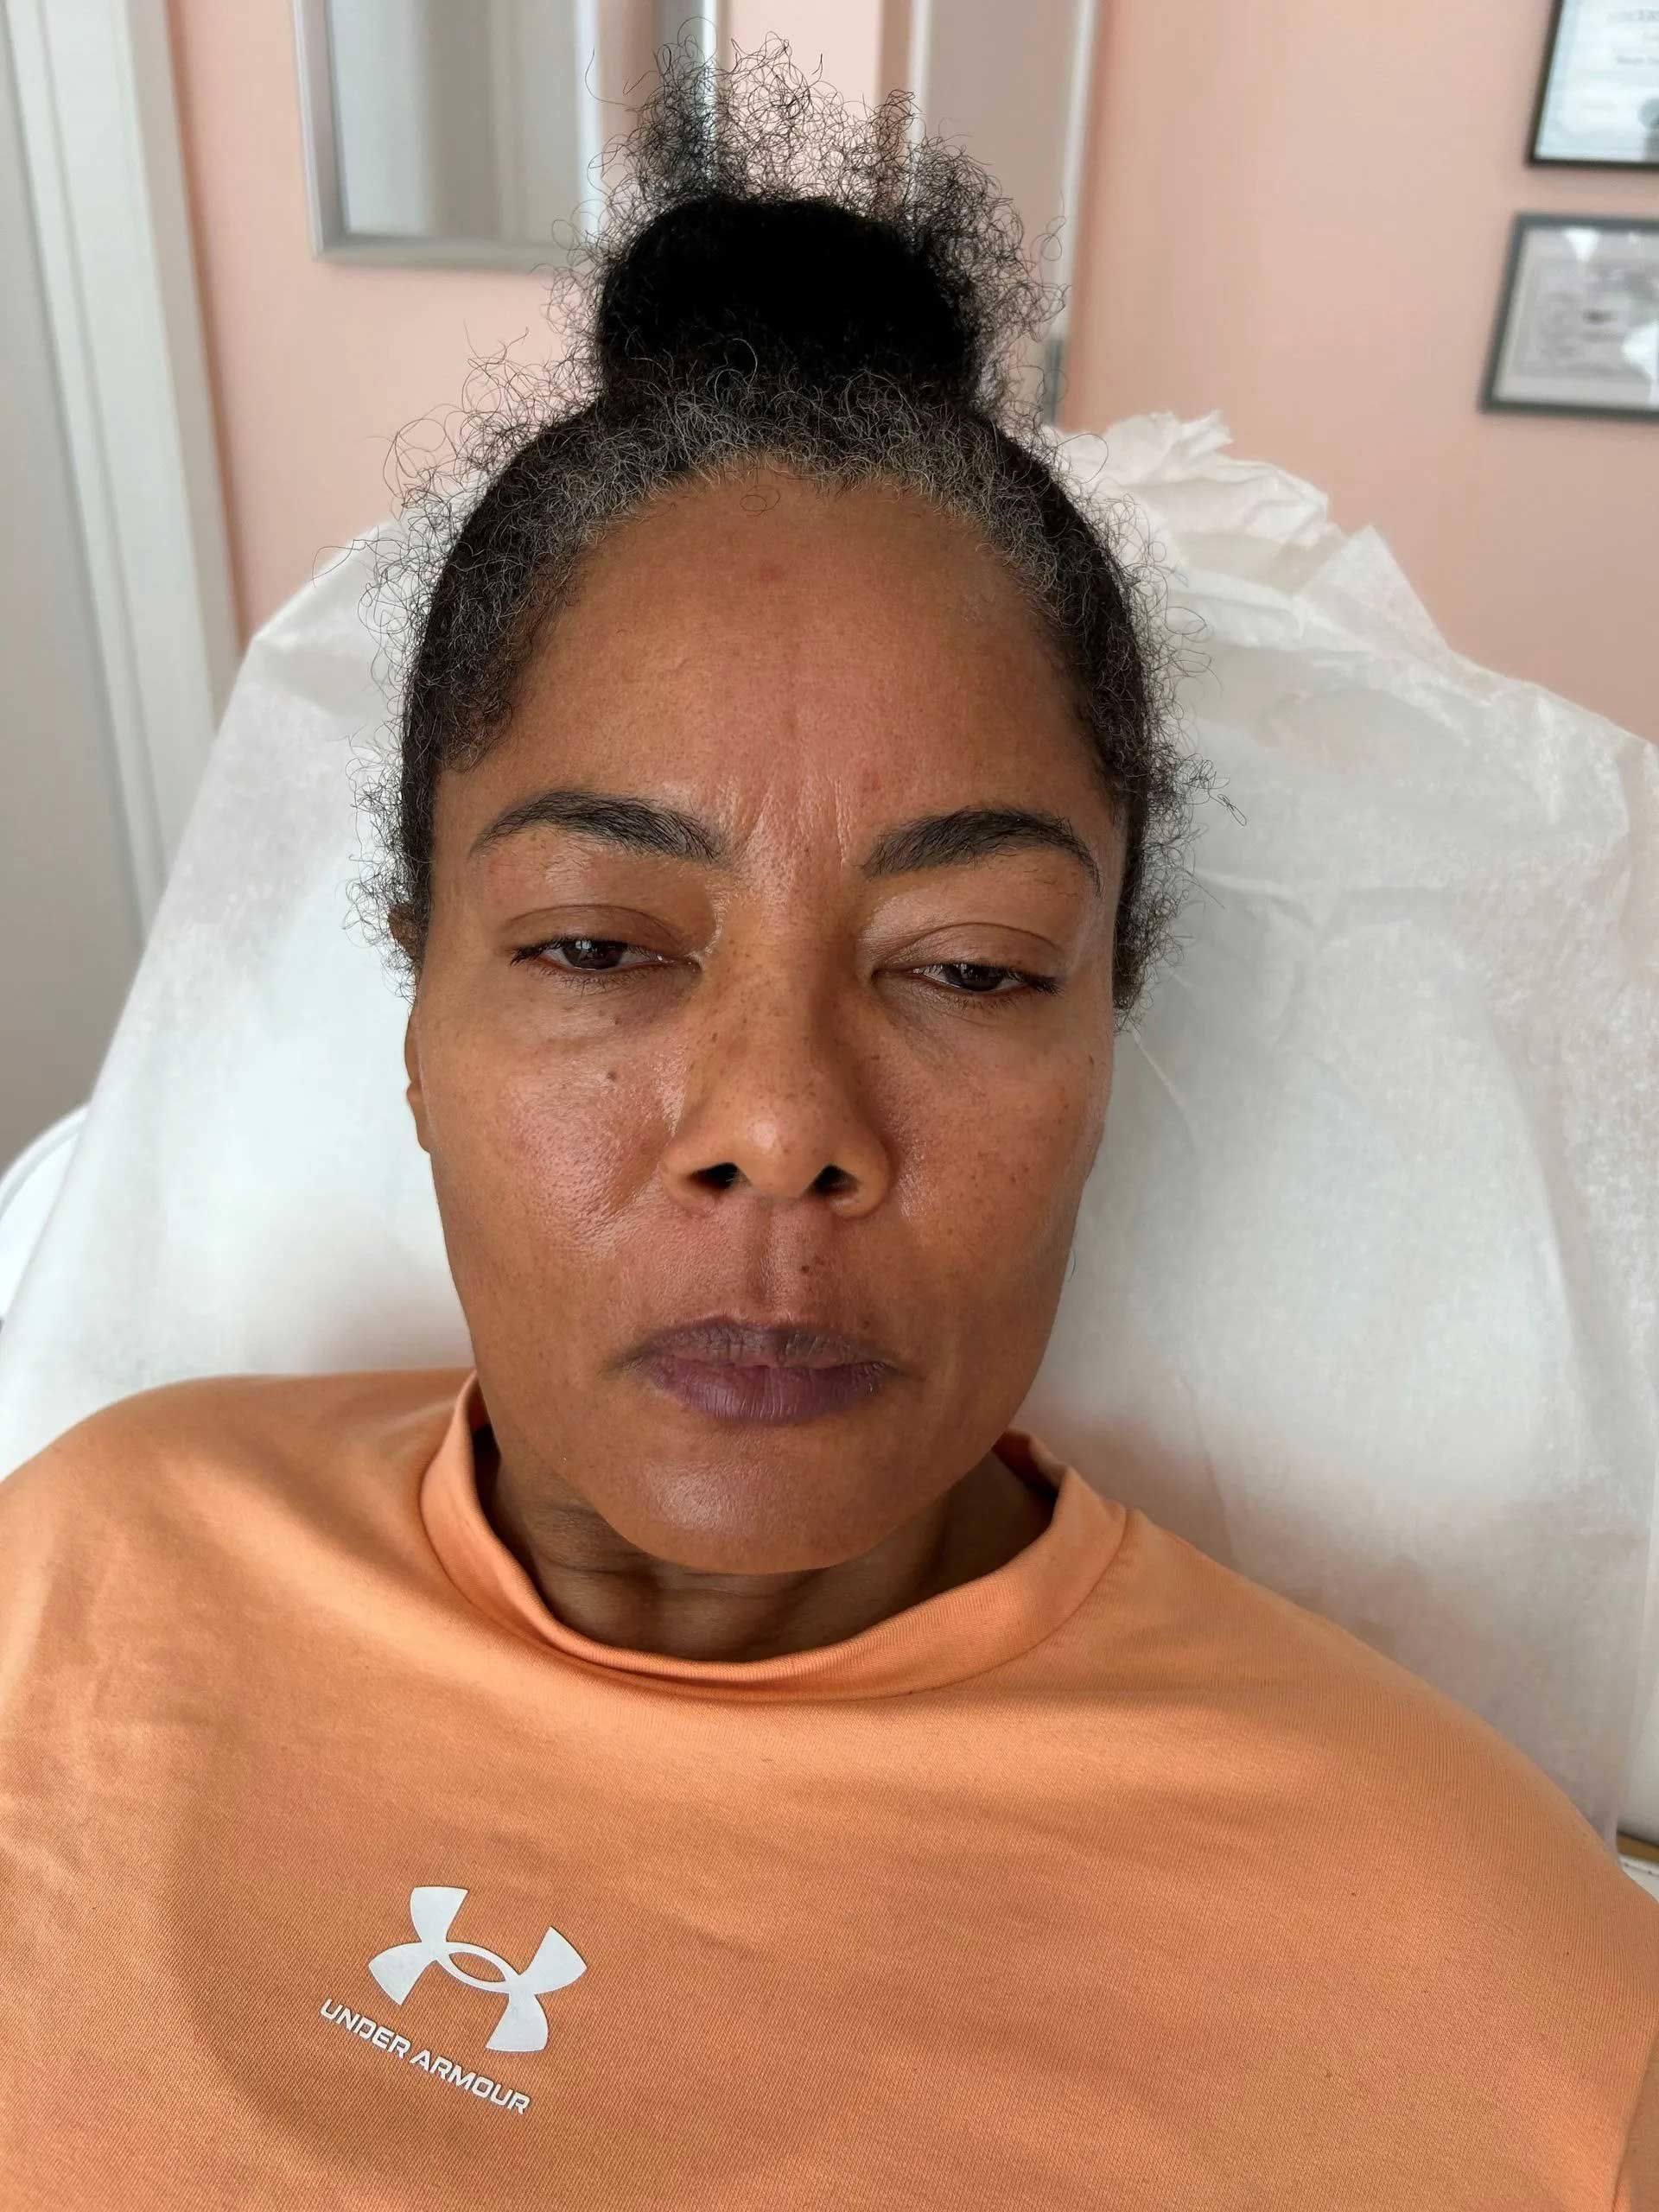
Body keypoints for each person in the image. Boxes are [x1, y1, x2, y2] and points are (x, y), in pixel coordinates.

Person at [1, 36, 1655, 2209]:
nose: (780, 1125)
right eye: (597, 943)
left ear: (1110, 1030)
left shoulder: (1513, 1995)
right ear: (416, 1001)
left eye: (968, 966)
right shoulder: (81, 1567)